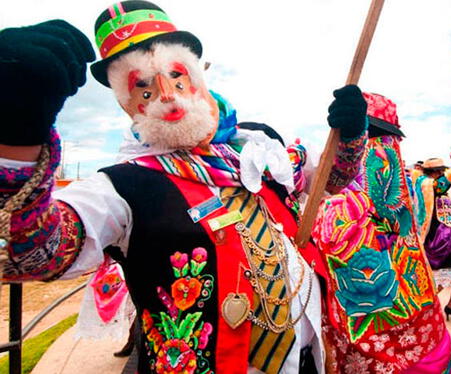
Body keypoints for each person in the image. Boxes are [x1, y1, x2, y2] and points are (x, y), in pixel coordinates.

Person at [0, 2, 370, 373]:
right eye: (143, 88)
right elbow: (35, 253)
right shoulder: (121, 186)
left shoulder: (259, 145)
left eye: (177, 77)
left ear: (197, 74)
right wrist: (17, 141)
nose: (167, 95)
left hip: (310, 359)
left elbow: (333, 180)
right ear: (125, 103)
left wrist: (351, 134)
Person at [312, 93, 451, 373]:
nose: (384, 146)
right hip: (415, 319)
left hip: (381, 318)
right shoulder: (383, 174)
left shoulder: (340, 191)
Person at [413, 157, 451, 323]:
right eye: (440, 171)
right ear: (436, 172)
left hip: (448, 229)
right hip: (439, 234)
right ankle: (422, 308)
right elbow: (441, 186)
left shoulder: (426, 182)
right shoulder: (426, 183)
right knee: (440, 272)